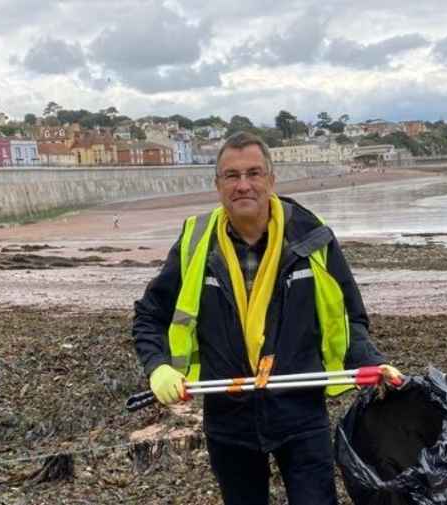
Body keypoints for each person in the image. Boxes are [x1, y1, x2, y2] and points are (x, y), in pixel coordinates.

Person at [133, 131, 402, 505]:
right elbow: (149, 315)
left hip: (301, 414)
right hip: (228, 417)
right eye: (232, 176)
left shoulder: (312, 235)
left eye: (254, 174)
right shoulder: (196, 242)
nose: (244, 185)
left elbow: (349, 317)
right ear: (217, 185)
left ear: (271, 181)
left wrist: (372, 364)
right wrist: (158, 367)